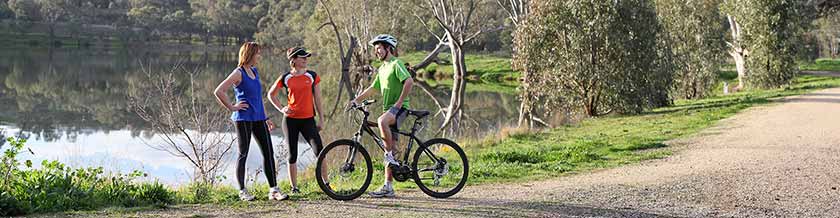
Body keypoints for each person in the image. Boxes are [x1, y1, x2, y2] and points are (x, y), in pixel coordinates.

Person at [213, 41, 287, 201]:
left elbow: (258, 98)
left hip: (259, 118)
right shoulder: (238, 73)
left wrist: (266, 117)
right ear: (250, 54)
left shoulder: (254, 71)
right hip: (243, 118)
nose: (259, 56)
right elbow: (219, 91)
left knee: (269, 152)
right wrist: (232, 107)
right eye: (257, 53)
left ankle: (273, 190)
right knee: (243, 154)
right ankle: (242, 191)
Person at [349, 34, 414, 198]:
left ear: (388, 48)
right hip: (390, 110)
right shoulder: (383, 68)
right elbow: (372, 88)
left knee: (381, 122)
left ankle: (390, 156)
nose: (376, 52)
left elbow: (409, 82)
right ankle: (388, 186)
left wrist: (399, 103)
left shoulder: (395, 64)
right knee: (389, 146)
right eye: (375, 49)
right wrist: (355, 100)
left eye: (379, 49)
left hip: (400, 109)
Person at [267, 47, 326, 194]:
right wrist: (282, 108)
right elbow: (271, 94)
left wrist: (321, 119)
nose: (306, 59)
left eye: (306, 57)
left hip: (308, 120)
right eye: (302, 57)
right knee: (292, 154)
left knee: (320, 151)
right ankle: (294, 188)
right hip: (290, 121)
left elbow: (318, 99)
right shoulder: (285, 77)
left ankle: (327, 184)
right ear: (293, 60)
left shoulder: (312, 76)